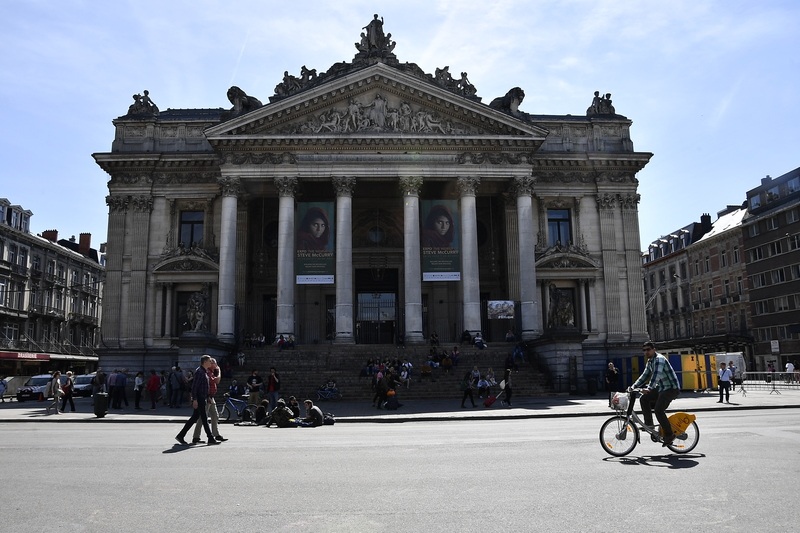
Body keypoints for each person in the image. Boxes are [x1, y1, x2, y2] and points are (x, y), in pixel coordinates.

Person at [630, 341, 681, 446]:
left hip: (671, 388)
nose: (646, 352)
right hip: (661, 388)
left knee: (658, 410)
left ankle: (669, 434)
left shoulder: (659, 359)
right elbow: (644, 376)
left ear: (654, 349)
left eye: (648, 349)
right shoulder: (650, 361)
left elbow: (655, 376)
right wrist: (633, 386)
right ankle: (649, 425)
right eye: (644, 350)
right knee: (644, 399)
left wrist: (649, 388)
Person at [175, 355, 220, 446]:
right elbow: (195, 387)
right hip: (199, 398)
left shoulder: (204, 371)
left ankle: (181, 435)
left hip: (203, 397)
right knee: (204, 418)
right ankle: (210, 438)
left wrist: (208, 397)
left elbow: (204, 387)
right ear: (205, 362)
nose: (211, 363)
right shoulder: (199, 372)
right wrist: (194, 399)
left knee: (195, 418)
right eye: (209, 361)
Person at [192, 358, 227, 444]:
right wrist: (219, 371)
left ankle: (216, 434)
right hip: (206, 397)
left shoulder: (210, 372)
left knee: (215, 415)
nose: (216, 365)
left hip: (211, 397)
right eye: (214, 363)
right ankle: (196, 436)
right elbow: (216, 380)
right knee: (202, 418)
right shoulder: (206, 372)